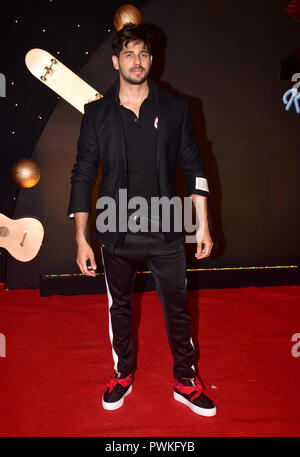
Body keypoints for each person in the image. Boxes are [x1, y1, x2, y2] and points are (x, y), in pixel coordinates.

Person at [67, 23, 216, 417]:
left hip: (167, 229)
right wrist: (81, 239)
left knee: (179, 308)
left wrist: (202, 224)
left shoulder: (175, 109)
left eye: (144, 54)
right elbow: (83, 174)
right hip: (116, 231)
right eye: (130, 54)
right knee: (120, 308)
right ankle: (123, 373)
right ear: (116, 61)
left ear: (152, 61)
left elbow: (195, 165)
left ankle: (186, 379)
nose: (138, 61)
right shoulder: (96, 114)